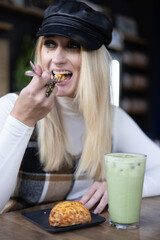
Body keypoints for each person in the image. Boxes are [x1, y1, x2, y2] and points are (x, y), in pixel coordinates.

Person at [0, 0, 160, 214]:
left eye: (72, 46)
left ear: (93, 61)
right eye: (50, 44)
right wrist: (21, 121)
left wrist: (119, 187)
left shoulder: (111, 118)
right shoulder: (10, 106)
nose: (57, 59)